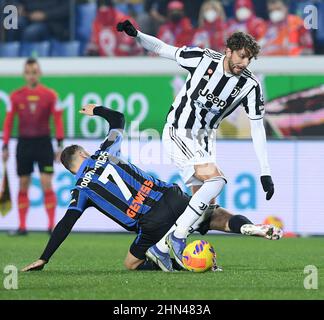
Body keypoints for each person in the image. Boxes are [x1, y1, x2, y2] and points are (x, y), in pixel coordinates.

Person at [21, 104, 282, 273]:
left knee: (131, 263)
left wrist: (44, 258)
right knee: (214, 216)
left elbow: (66, 223)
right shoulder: (106, 151)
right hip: (172, 196)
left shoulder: (81, 189)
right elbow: (118, 118)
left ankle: (172, 258)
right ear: (84, 152)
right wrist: (97, 110)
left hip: (151, 223)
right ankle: (249, 227)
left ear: (70, 169)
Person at [117, 20, 275, 268]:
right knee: (217, 180)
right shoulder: (201, 58)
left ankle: (164, 251)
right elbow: (162, 49)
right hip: (178, 130)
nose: (243, 63)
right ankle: (175, 239)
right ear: (229, 50)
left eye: (249, 60)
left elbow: (257, 127)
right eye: (241, 56)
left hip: (204, 141)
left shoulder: (250, 85)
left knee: (205, 211)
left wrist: (265, 171)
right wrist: (137, 34)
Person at [2, 58, 64, 235]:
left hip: (44, 143)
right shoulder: (15, 96)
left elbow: (58, 120)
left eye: (34, 72)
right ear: (24, 74)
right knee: (23, 184)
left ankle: (51, 226)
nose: (31, 75)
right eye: (28, 72)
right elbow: (8, 123)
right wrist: (5, 146)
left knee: (46, 183)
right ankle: (22, 227)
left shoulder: (50, 95)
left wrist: (59, 145)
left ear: (40, 74)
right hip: (24, 144)